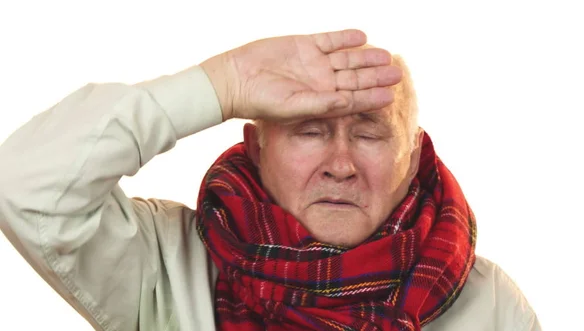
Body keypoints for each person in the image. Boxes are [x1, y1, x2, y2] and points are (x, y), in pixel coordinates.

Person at [0, 29, 541, 331]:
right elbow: (24, 183)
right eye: (309, 131)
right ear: (256, 151)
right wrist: (222, 84)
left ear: (413, 157)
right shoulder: (166, 263)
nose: (340, 163)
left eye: (369, 134)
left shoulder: (491, 307)